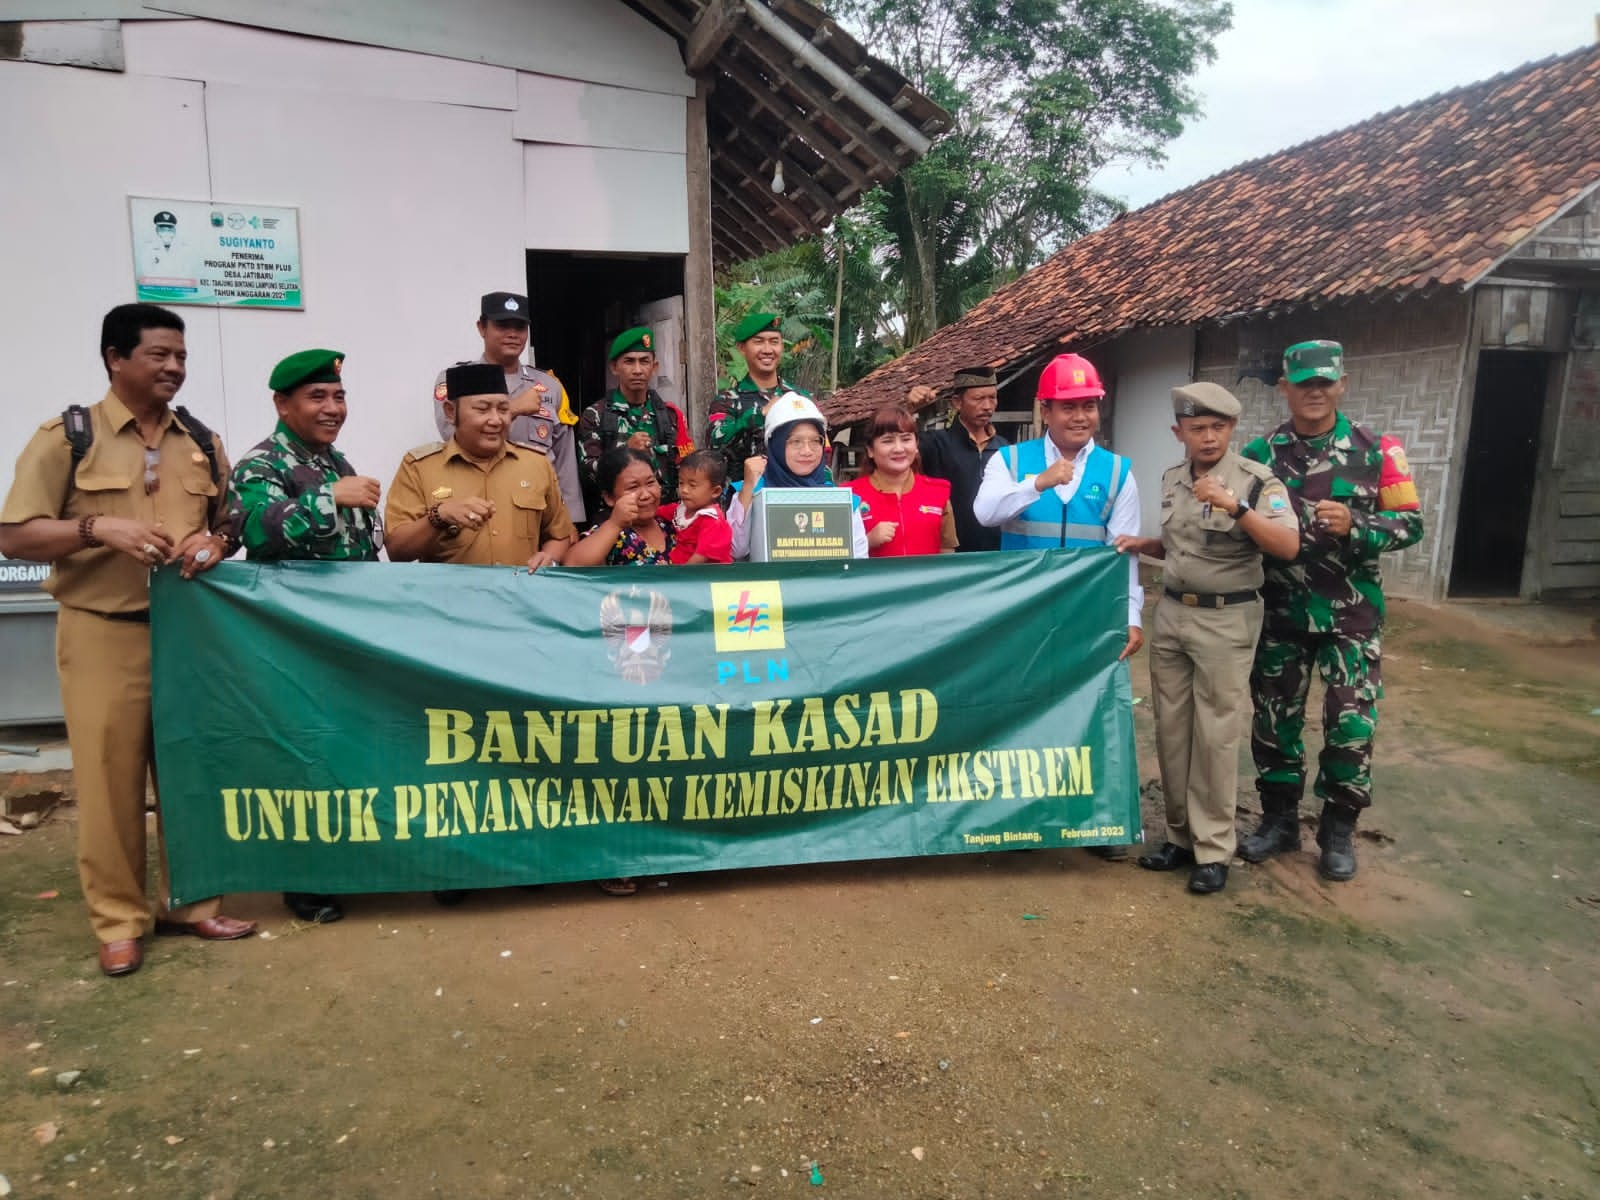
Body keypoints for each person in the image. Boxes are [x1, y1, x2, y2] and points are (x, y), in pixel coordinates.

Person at [0, 303, 256, 976]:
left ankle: (192, 904)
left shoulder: (199, 438)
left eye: (181, 357)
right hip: (101, 632)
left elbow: (230, 516)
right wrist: (96, 529)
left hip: (189, 634)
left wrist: (217, 541)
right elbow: (15, 533)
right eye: (159, 356)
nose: (174, 368)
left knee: (191, 774)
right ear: (116, 357)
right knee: (111, 783)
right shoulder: (67, 438)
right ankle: (119, 920)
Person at [1237, 340, 1423, 882]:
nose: (1314, 392)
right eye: (1303, 383)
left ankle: (1339, 830)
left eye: (1325, 382)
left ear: (1342, 384)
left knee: (1351, 725)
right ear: (1285, 389)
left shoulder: (1378, 450)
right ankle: (1279, 821)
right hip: (1282, 614)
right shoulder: (1259, 454)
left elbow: (1412, 524)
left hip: (1351, 617)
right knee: (1274, 722)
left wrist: (1360, 528)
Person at [1114, 383, 1299, 895]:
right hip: (1172, 615)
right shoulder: (1173, 478)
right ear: (1180, 433)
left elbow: (1286, 544)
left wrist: (1236, 506)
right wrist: (1143, 543)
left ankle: (1214, 849)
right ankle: (1179, 838)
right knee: (1172, 730)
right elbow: (1182, 546)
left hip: (1226, 620)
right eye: (1198, 428)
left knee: (1216, 737)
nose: (1209, 436)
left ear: (1232, 429)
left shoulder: (1258, 481)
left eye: (1218, 427)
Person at [232, 348, 382, 924]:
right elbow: (259, 532)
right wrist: (327, 500)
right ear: (282, 403)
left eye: (339, 396)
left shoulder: (337, 462)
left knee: (345, 750)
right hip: (296, 642)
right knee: (304, 756)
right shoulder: (262, 464)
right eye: (318, 397)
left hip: (346, 639)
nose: (333, 408)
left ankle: (346, 862)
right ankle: (306, 880)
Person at [972, 352, 1144, 662]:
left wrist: (1131, 614)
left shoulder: (1118, 473)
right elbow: (985, 514)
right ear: (1046, 412)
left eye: (1088, 406)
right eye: (1068, 407)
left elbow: (1124, 554)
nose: (1080, 417)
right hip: (1021, 611)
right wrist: (1037, 483)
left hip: (1086, 614)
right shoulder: (1009, 461)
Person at [386, 362, 575, 571]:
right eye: (482, 409)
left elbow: (559, 535)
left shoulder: (536, 464)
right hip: (450, 601)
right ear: (450, 412)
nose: (495, 420)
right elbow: (396, 550)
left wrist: (548, 557)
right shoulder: (419, 467)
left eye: (503, 409)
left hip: (519, 599)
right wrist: (439, 516)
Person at [433, 290, 585, 524]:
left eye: (520, 327)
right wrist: (512, 409)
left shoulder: (549, 385)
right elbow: (450, 435)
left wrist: (570, 519)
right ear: (482, 328)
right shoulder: (457, 379)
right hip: (480, 507)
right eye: (503, 326)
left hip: (539, 509)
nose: (513, 335)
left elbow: (564, 460)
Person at [727, 392, 869, 560]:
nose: (807, 451)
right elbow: (736, 549)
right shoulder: (752, 492)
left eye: (816, 441)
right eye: (796, 442)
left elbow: (858, 559)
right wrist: (748, 489)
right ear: (776, 445)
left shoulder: (840, 501)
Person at [578, 327, 693, 506]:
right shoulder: (596, 415)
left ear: (654, 367)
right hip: (616, 518)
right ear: (614, 367)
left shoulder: (671, 416)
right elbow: (587, 475)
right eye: (629, 362)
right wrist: (624, 451)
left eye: (644, 361)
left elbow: (688, 467)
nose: (638, 370)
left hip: (664, 515)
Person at [911, 365, 1008, 553]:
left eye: (992, 398)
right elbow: (899, 448)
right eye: (979, 398)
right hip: (949, 554)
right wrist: (911, 410)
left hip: (996, 555)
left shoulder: (1004, 448)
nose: (987, 406)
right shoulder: (935, 443)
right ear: (957, 402)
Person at [708, 312, 810, 484]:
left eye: (774, 342)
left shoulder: (801, 399)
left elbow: (821, 450)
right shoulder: (727, 401)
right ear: (742, 348)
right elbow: (715, 445)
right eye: (759, 341)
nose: (768, 350)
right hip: (744, 500)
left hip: (794, 498)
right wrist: (759, 416)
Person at [850, 402, 957, 556]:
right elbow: (837, 561)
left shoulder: (938, 492)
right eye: (888, 441)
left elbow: (947, 552)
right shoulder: (850, 497)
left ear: (916, 445)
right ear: (870, 450)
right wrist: (866, 541)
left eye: (906, 439)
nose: (899, 449)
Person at [565, 447, 677, 568]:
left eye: (650, 483)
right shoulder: (611, 533)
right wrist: (615, 524)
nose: (645, 495)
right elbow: (572, 564)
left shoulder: (674, 523)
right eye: (633, 487)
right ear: (609, 498)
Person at [662, 449, 733, 565]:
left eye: (692, 485)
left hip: (703, 577)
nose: (684, 490)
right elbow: (658, 511)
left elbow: (699, 559)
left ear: (715, 491)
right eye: (681, 483)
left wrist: (676, 577)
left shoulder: (712, 521)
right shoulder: (681, 509)